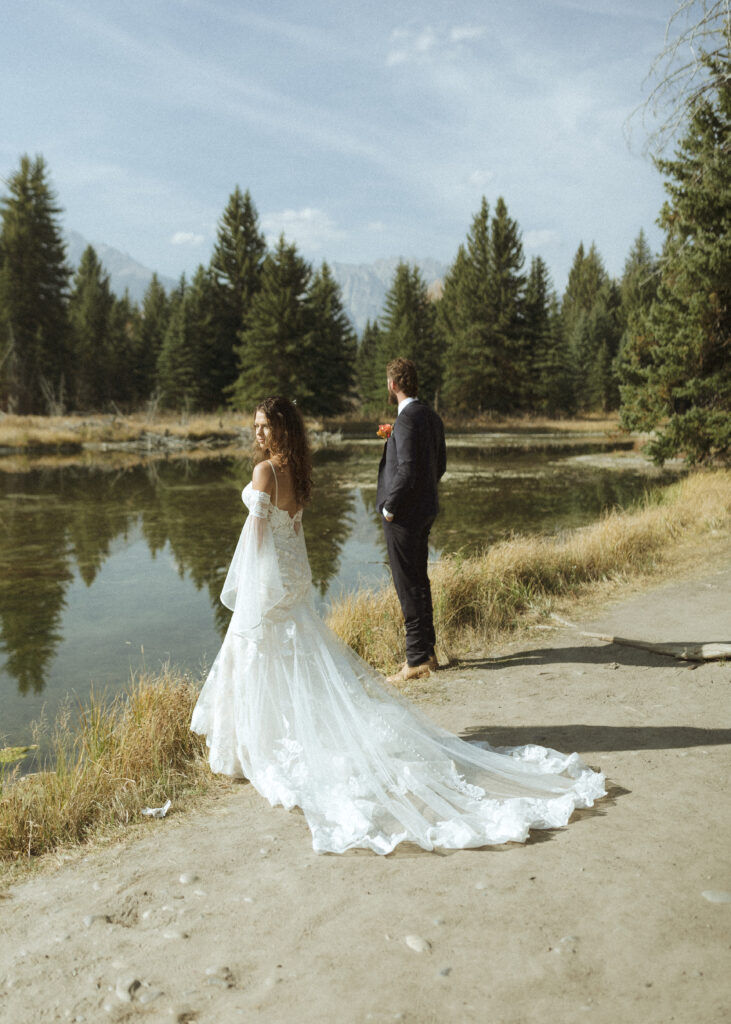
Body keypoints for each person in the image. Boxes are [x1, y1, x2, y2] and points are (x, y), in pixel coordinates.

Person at [190, 395, 606, 855]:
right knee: (292, 662)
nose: (258, 433)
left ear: (282, 429)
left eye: (265, 426)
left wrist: (251, 591)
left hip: (271, 581)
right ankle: (274, 738)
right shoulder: (297, 473)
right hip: (290, 581)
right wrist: (293, 582)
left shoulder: (265, 472)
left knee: (257, 655)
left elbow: (257, 540)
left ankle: (253, 747)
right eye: (256, 426)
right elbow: (295, 531)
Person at [376, 357, 446, 684]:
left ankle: (416, 660)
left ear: (393, 384)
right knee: (419, 580)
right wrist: (423, 496)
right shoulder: (431, 417)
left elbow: (405, 470)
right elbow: (439, 466)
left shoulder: (405, 421)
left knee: (407, 584)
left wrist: (390, 507)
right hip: (425, 511)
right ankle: (428, 653)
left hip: (403, 516)